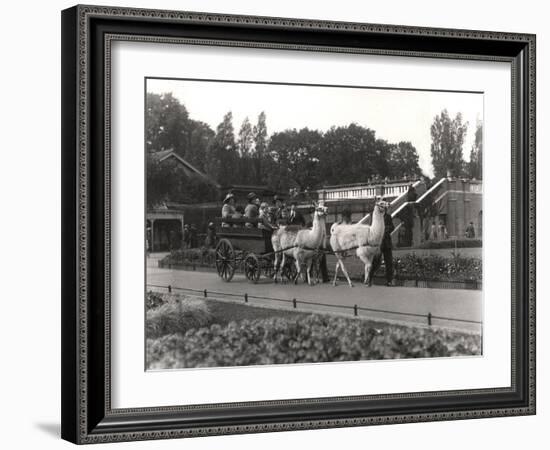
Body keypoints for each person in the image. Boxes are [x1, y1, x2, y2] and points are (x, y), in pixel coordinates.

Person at [369, 201, 395, 286]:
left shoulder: (388, 217)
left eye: (383, 207)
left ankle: (389, 280)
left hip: (386, 243)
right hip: (378, 243)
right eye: (381, 207)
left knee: (389, 262)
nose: (382, 208)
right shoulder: (375, 217)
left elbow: (392, 227)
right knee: (376, 261)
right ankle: (369, 277)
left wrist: (385, 230)